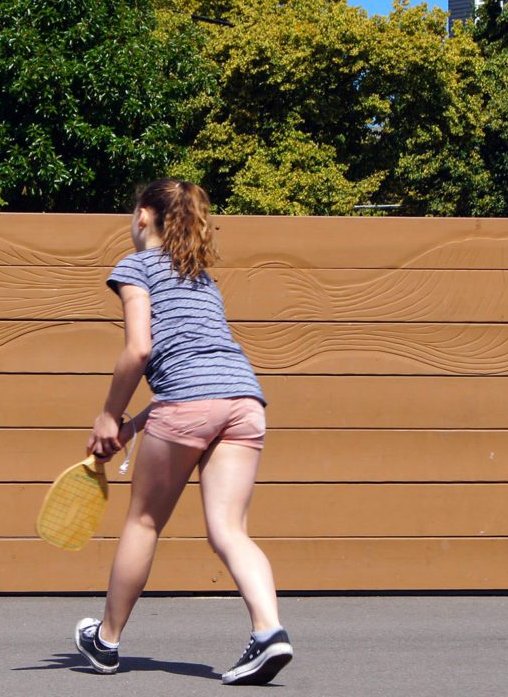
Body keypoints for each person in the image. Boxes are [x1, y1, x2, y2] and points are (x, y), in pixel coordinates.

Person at [74, 178, 293, 686]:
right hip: (244, 400)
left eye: (133, 212)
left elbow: (139, 352)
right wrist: (132, 427)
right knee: (231, 531)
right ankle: (269, 631)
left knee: (144, 522)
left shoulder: (135, 267)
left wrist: (109, 414)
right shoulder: (201, 279)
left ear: (144, 217)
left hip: (191, 403)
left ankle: (105, 641)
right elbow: (196, 380)